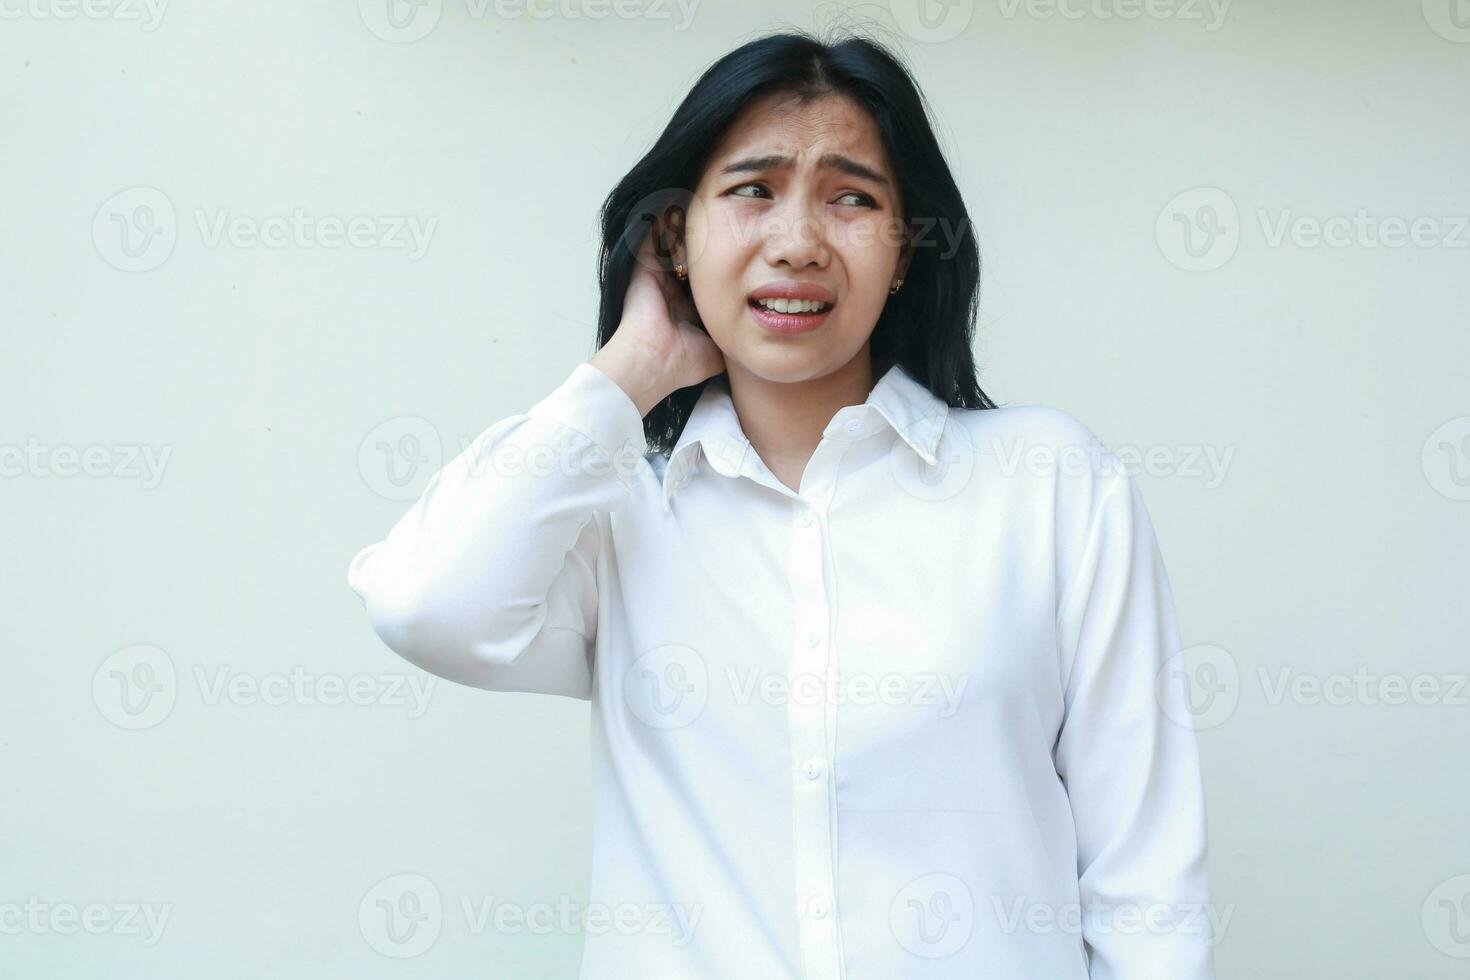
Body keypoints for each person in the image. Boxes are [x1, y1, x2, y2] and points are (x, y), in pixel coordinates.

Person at [347, 28, 1216, 980]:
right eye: (751, 190)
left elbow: (1147, 891)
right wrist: (630, 369)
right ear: (675, 234)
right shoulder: (618, 511)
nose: (797, 241)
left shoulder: (1052, 488)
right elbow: (426, 605)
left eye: (852, 198)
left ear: (904, 249)